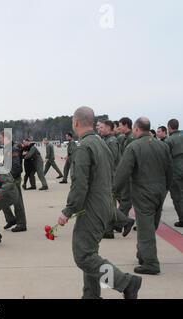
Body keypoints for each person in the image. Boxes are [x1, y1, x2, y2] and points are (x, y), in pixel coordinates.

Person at [57, 106, 141, 299]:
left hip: (92, 207)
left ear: (76, 122)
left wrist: (68, 211)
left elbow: (80, 185)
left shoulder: (84, 147)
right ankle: (91, 295)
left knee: (84, 256)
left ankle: (126, 282)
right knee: (90, 253)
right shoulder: (101, 143)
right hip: (104, 204)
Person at [114, 117, 173, 274]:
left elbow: (123, 171)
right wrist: (165, 188)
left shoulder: (134, 147)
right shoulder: (163, 146)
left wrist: (113, 190)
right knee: (151, 224)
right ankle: (143, 253)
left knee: (146, 228)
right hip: (160, 191)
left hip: (143, 191)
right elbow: (169, 170)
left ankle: (151, 263)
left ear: (137, 129)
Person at [99, 120, 135, 239]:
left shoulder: (112, 141)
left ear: (109, 128)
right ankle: (109, 229)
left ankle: (124, 222)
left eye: (102, 127)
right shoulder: (105, 140)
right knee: (108, 203)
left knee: (109, 203)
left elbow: (111, 160)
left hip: (111, 176)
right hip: (108, 175)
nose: (99, 129)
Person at [0, 130, 26, 232]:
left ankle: (22, 224)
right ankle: (11, 219)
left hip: (13, 179)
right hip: (9, 179)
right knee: (1, 199)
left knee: (17, 202)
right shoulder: (8, 148)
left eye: (0, 138)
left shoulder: (13, 149)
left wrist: (9, 179)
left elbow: (16, 167)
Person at [165, 119, 183, 227]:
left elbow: (166, 158)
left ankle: (182, 219)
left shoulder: (169, 140)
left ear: (169, 127)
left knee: (177, 196)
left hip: (176, 170)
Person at [118, 117, 135, 217]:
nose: (119, 128)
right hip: (128, 172)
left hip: (130, 173)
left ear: (126, 125)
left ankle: (120, 222)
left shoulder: (131, 138)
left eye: (120, 126)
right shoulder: (126, 137)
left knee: (126, 199)